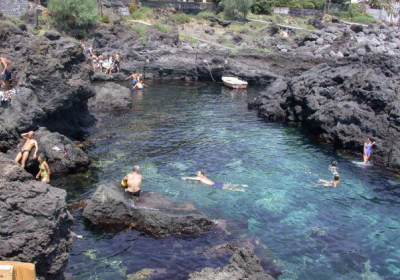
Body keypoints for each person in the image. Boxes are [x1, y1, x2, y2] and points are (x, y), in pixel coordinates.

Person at [181, 170, 247, 191]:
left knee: (227, 188)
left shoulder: (200, 178)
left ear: (201, 174)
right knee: (227, 185)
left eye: (198, 173)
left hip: (214, 185)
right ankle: (241, 185)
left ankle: (240, 190)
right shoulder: (204, 176)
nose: (197, 174)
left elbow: (191, 178)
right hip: (215, 183)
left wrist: (185, 178)